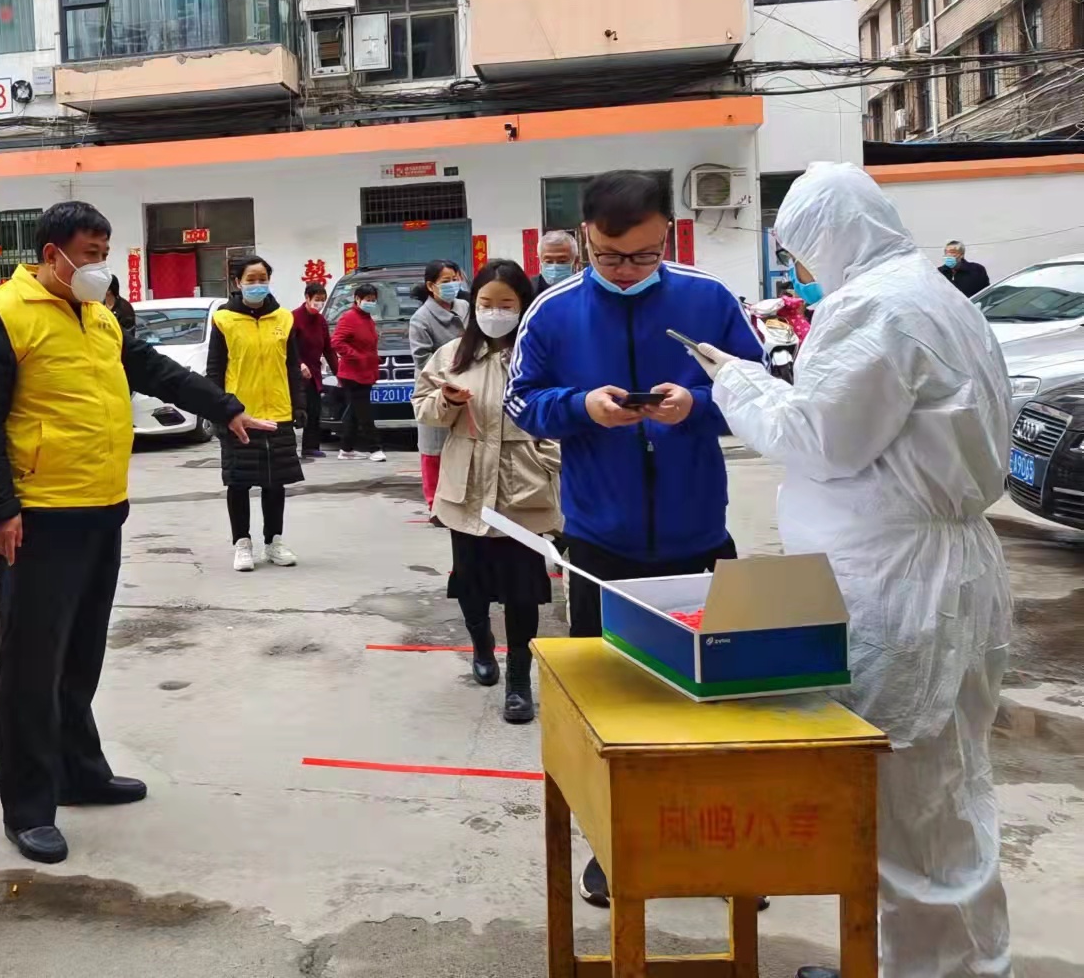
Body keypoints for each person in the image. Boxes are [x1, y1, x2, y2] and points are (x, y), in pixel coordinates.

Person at [692, 164, 1013, 978]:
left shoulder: (875, 306)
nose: (803, 271)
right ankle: (925, 961)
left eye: (802, 252)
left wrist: (735, 380)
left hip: (904, 581)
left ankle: (937, 969)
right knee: (946, 790)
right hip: (946, 567)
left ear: (830, 236)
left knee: (913, 805)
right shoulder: (937, 295)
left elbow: (821, 440)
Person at [0, 200, 270, 866]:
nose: (99, 265)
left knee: (80, 655)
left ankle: (79, 772)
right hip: (38, 515)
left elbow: (154, 370)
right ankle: (29, 807)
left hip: (103, 506)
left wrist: (225, 408)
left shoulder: (99, 314)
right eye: (89, 254)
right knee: (31, 666)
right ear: (51, 254)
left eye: (104, 253)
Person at [503, 169, 764, 907]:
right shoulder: (554, 310)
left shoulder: (708, 299)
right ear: (585, 237)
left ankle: (720, 844)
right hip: (600, 544)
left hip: (698, 535)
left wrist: (700, 404)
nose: (627, 270)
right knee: (613, 710)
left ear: (667, 236)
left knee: (714, 703)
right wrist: (581, 406)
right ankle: (614, 845)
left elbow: (763, 386)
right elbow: (522, 400)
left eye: (645, 255)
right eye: (611, 256)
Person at [414, 259, 561, 724]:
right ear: (473, 304)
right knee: (472, 583)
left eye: (506, 304)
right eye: (486, 303)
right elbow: (424, 409)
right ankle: (481, 644)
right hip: (468, 486)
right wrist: (445, 400)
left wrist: (547, 459)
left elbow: (563, 414)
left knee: (522, 591)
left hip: (523, 490)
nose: (495, 312)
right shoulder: (453, 354)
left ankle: (519, 679)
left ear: (523, 306)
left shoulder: (540, 354)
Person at [206, 255, 306, 572]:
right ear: (237, 283)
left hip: (278, 413)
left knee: (275, 483)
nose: (257, 284)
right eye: (251, 279)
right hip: (239, 414)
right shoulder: (223, 320)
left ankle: (274, 542)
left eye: (263, 278)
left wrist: (299, 405)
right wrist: (218, 410)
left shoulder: (284, 318)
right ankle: (242, 543)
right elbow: (215, 370)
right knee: (239, 482)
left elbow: (292, 367)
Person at [410, 259, 467, 520]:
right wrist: (449, 377)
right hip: (434, 389)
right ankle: (435, 505)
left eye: (455, 279)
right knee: (433, 449)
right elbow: (423, 360)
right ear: (431, 286)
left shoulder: (465, 307)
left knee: (462, 447)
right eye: (446, 281)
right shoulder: (421, 319)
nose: (452, 285)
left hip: (467, 386)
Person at [331, 282, 385, 462]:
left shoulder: (367, 318)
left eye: (373, 299)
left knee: (354, 412)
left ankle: (346, 449)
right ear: (357, 299)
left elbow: (366, 344)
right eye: (368, 299)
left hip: (366, 371)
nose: (371, 302)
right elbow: (337, 341)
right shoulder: (349, 318)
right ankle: (375, 448)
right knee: (364, 412)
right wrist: (356, 356)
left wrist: (373, 358)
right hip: (353, 374)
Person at [291, 281, 335, 459]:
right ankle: (288, 447)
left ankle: (310, 446)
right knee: (295, 410)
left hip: (314, 373)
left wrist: (338, 372)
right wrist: (299, 364)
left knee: (314, 409)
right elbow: (288, 347)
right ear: (307, 298)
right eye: (317, 299)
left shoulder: (321, 320)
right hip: (295, 373)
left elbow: (328, 349)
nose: (320, 303)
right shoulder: (294, 318)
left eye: (323, 300)